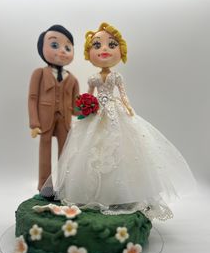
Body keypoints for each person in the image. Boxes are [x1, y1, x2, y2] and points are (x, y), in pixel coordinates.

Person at [43, 22, 196, 220]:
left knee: (119, 146)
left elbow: (123, 95)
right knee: (92, 148)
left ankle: (122, 194)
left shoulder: (116, 77)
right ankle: (91, 193)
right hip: (97, 112)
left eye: (111, 45)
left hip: (115, 111)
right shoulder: (93, 78)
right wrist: (86, 106)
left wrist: (128, 108)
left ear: (120, 51)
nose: (104, 49)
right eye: (97, 46)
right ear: (89, 52)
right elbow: (88, 96)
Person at [28, 25, 79, 191]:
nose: (62, 51)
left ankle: (65, 185)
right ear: (42, 47)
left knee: (65, 153)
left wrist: (88, 107)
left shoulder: (72, 79)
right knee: (45, 151)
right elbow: (33, 98)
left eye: (68, 47)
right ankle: (45, 185)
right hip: (45, 120)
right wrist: (34, 122)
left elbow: (76, 106)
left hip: (64, 120)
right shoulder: (39, 74)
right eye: (55, 45)